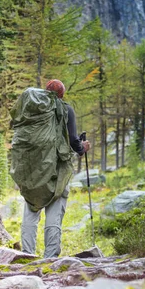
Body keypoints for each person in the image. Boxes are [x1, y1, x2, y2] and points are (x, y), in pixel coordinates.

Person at [20, 79, 91, 258]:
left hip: (33, 170)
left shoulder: (32, 110)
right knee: (54, 212)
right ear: (61, 95)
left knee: (31, 212)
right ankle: (50, 258)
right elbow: (74, 142)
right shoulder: (66, 110)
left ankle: (27, 255)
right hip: (57, 170)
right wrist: (83, 148)